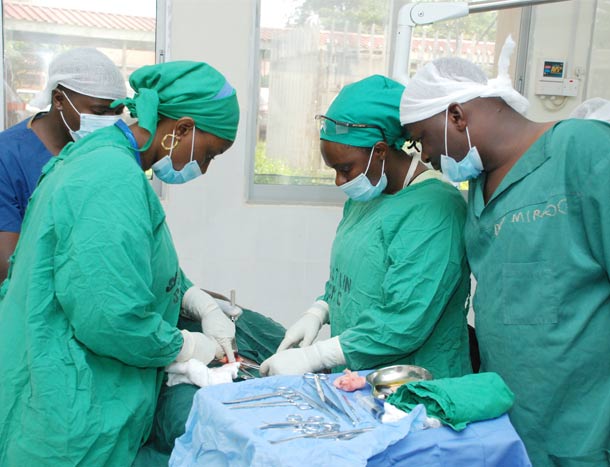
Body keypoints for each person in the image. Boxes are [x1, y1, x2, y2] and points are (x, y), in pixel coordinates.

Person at [0, 61, 241, 466]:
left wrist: (200, 302)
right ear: (182, 129)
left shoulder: (104, 158)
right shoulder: (111, 179)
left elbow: (130, 263)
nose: (204, 167)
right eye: (209, 153)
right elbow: (111, 318)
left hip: (62, 392)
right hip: (70, 418)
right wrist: (185, 346)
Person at [399, 42, 610, 466]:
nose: (426, 156)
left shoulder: (582, 149)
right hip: (508, 411)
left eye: (421, 139)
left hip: (580, 423)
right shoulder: (479, 185)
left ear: (456, 116)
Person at [260, 75, 472, 379]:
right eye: (334, 170)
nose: (339, 181)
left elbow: (405, 321)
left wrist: (316, 356)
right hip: (357, 376)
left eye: (345, 169)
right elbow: (354, 280)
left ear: (380, 151)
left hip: (414, 383)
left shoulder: (436, 211)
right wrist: (319, 311)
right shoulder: (367, 195)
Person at [0, 47, 128, 282]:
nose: (109, 122)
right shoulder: (7, 155)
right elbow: (8, 267)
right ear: (59, 99)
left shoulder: (105, 151)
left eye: (117, 112)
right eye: (99, 112)